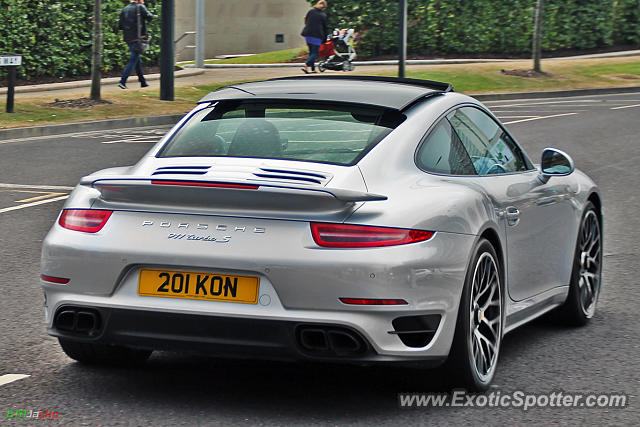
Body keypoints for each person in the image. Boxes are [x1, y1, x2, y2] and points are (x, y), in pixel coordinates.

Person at [118, 0, 153, 89]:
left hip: (128, 38)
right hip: (138, 38)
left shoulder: (124, 9)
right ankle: (122, 81)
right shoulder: (140, 7)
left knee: (137, 60)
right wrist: (143, 7)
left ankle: (143, 82)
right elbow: (150, 17)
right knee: (133, 60)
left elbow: (120, 26)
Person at [300, 1, 328, 74]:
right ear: (324, 7)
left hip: (308, 34)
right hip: (317, 35)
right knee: (315, 53)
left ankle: (313, 69)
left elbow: (306, 20)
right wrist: (325, 39)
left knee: (311, 52)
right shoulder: (323, 15)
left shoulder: (311, 11)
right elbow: (325, 28)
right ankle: (306, 65)